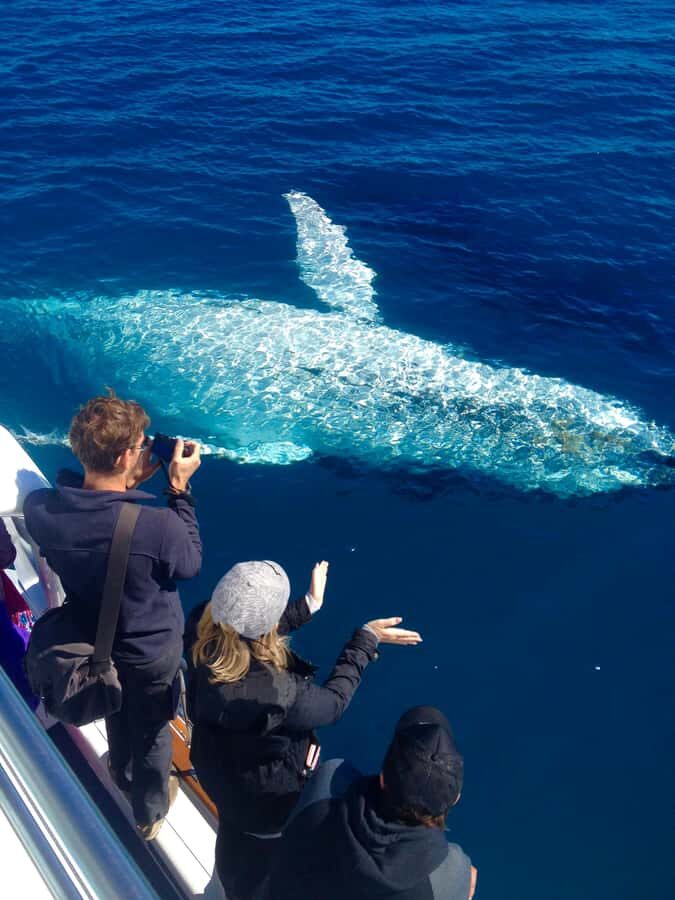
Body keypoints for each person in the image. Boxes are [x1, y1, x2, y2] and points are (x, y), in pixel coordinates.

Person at [185, 559, 422, 900]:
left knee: (231, 850)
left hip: (220, 777)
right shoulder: (279, 694)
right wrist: (365, 640)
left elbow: (241, 630)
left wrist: (307, 606)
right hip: (267, 805)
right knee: (260, 876)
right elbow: (333, 703)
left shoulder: (199, 630)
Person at [24, 391, 202, 840]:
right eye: (140, 445)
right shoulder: (157, 526)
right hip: (148, 655)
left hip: (93, 642)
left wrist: (121, 479)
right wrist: (179, 491)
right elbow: (190, 562)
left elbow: (77, 501)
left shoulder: (42, 510)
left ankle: (120, 770)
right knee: (152, 732)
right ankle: (148, 811)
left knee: (117, 709)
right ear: (126, 455)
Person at [263, 705, 477, 900]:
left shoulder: (329, 784)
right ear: (455, 799)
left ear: (383, 776)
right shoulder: (449, 875)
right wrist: (460, 882)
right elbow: (462, 879)